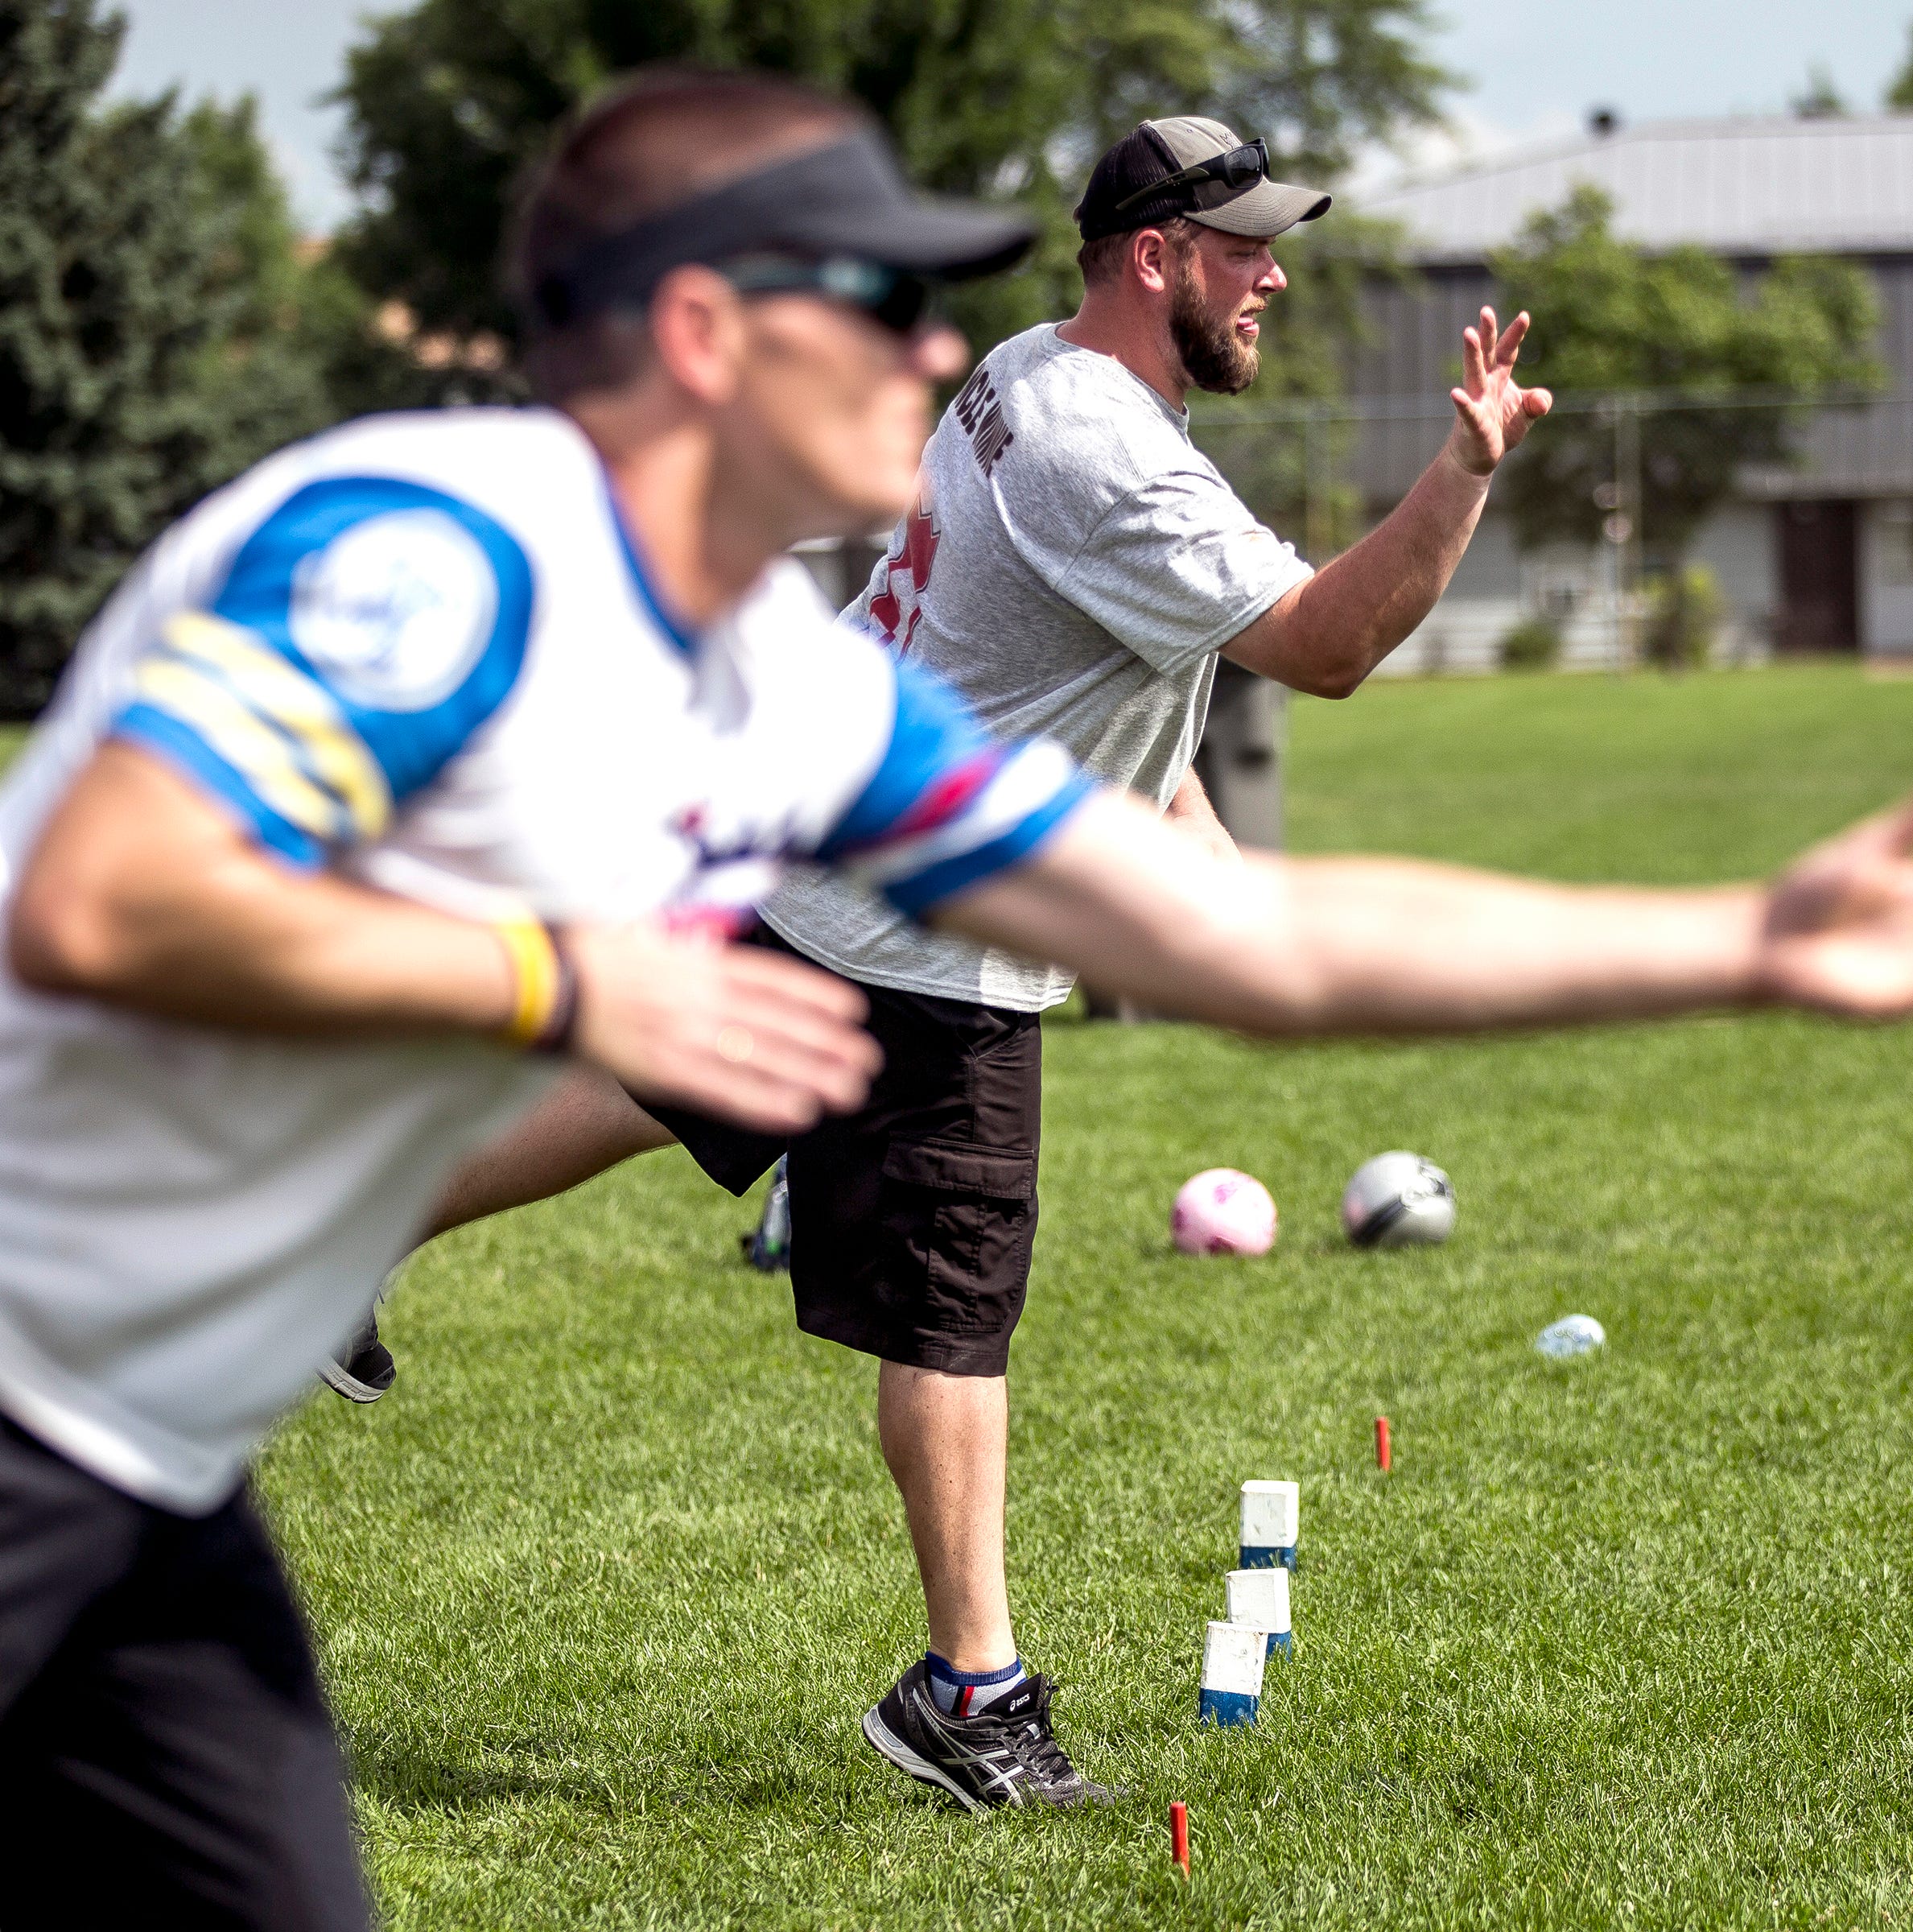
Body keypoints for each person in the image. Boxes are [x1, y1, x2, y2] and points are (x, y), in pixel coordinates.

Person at [0, 65, 1913, 1916]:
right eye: (886, 307)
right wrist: (563, 980)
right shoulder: (433, 550)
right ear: (700, 330)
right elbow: (100, 900)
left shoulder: (781, 684)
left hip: (146, 1463)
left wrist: (1742, 948)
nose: (945, 357)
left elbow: (1251, 943)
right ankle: (968, 1680)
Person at [328, 113, 1564, 1812]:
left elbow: (1084, 665)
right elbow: (1331, 646)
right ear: (1156, 257)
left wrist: (1189, 847)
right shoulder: (1111, 460)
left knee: (650, 1083)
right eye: (1247, 249)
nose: (1274, 277)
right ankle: (965, 1695)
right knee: (957, 1307)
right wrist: (1467, 470)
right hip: (926, 920)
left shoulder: (1024, 373)